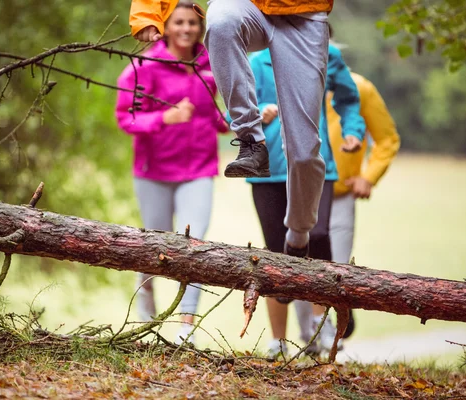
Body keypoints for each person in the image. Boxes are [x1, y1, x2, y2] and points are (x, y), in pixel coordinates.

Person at [129, 0, 362, 266]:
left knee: (303, 153)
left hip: (304, 14)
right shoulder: (247, 63)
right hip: (248, 7)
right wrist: (147, 13)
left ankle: (298, 233)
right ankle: (251, 142)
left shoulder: (331, 56)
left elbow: (348, 97)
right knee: (220, 20)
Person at [116, 0, 228, 344]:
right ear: (165, 26)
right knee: (152, 247)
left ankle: (186, 329)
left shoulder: (211, 65)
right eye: (178, 22)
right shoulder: (143, 66)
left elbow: (214, 115)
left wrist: (242, 123)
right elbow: (126, 117)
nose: (186, 29)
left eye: (193, 23)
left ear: (201, 28)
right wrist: (165, 117)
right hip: (154, 172)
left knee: (193, 246)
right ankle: (146, 319)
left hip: (198, 169)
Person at [245, 44, 365, 357]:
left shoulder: (326, 53)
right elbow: (236, 110)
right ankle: (278, 342)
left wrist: (353, 130)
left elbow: (349, 99)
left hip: (316, 165)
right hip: (268, 170)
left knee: (319, 236)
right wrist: (258, 113)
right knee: (274, 254)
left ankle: (322, 322)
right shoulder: (257, 62)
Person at [328, 73, 401, 274]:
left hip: (340, 197)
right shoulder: (285, 78)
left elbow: (387, 139)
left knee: (337, 276)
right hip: (292, 194)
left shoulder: (360, 88)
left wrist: (369, 176)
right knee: (296, 277)